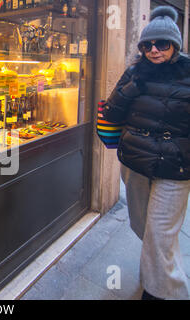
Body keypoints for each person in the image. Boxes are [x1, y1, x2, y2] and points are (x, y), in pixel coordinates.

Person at [101, 6, 190, 300]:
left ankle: (165, 293)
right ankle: (155, 273)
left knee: (160, 234)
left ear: (174, 45)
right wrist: (132, 86)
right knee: (143, 227)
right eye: (147, 45)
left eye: (162, 44)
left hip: (174, 167)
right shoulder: (134, 71)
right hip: (136, 162)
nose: (154, 50)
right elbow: (111, 113)